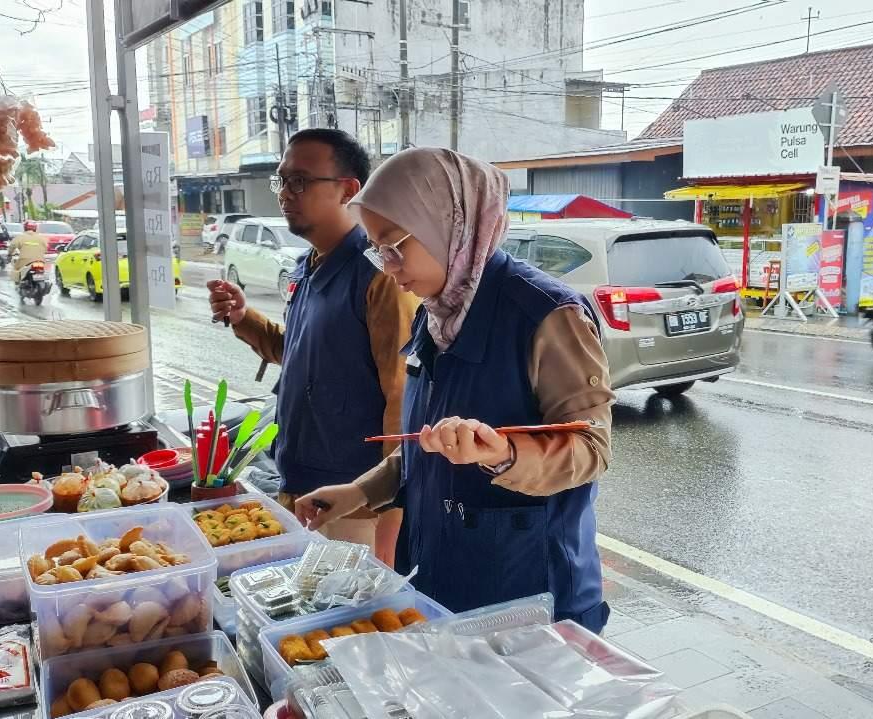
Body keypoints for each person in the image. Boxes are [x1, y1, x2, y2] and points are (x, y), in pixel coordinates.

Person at [293, 147, 616, 633]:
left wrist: (506, 452)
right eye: (378, 250)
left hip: (533, 597)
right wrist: (358, 491)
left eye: (396, 246)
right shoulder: (438, 310)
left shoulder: (547, 316)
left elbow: (592, 448)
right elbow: (427, 446)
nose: (389, 267)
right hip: (444, 582)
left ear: (451, 224)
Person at [207, 129, 416, 562]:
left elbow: (401, 392)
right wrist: (244, 319)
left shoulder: (379, 275)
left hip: (353, 500)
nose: (285, 193)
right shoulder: (309, 265)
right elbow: (302, 355)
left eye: (300, 181)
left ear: (349, 190)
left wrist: (391, 502)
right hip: (299, 480)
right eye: (281, 181)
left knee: (342, 620)